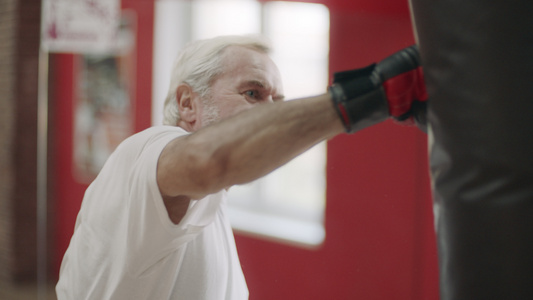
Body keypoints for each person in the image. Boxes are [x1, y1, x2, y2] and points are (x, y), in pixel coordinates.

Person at [56, 35, 426, 300]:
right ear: (188, 104)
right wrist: (373, 95)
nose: (271, 112)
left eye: (277, 101)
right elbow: (207, 160)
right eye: (253, 93)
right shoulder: (143, 153)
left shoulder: (206, 201)